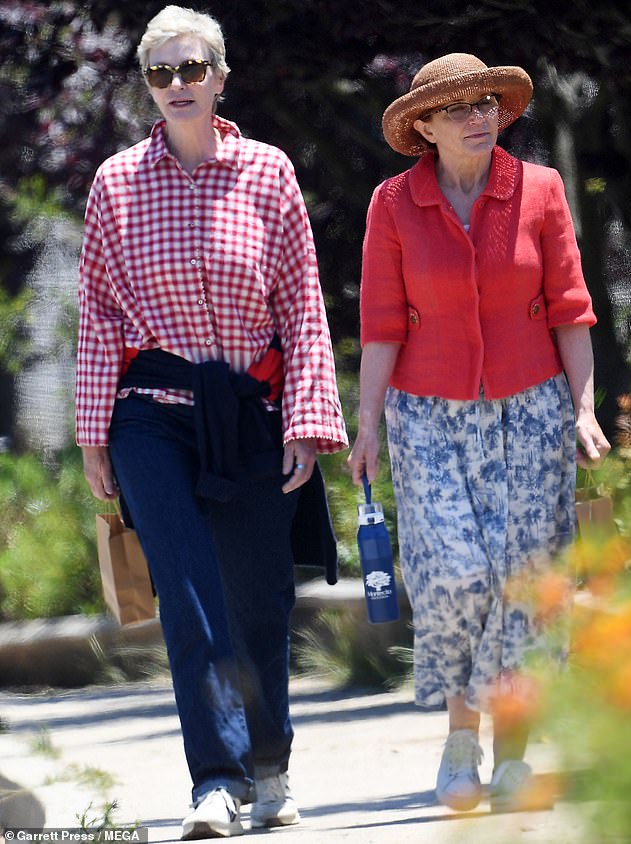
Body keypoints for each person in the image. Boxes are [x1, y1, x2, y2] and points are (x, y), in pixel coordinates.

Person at [76, 5, 347, 838]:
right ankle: (216, 782)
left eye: (193, 69)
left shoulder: (269, 173)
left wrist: (307, 419)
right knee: (189, 597)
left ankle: (271, 768)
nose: (178, 85)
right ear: (147, 86)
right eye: (161, 73)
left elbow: (303, 306)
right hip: (150, 416)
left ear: (220, 77)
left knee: (259, 600)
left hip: (252, 411)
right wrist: (93, 436)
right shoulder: (116, 184)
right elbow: (96, 314)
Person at [348, 52, 610, 813]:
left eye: (487, 101)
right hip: (427, 414)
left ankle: (514, 758)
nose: (478, 115)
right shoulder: (393, 204)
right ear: (423, 126)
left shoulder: (540, 190)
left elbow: (571, 307)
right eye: (459, 107)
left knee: (525, 580)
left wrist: (584, 408)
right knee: (459, 573)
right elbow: (381, 325)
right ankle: (461, 737)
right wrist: (367, 425)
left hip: (531, 409)